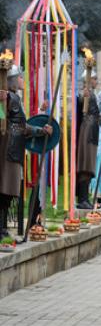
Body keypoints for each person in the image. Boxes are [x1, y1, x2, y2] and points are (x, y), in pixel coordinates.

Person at [0, 65, 53, 238]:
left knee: (7, 190)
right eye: (20, 77)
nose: (23, 80)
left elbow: (23, 126)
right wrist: (4, 96)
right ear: (12, 80)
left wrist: (40, 130)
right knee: (4, 189)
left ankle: (2, 227)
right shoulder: (9, 97)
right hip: (8, 149)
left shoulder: (14, 97)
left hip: (14, 147)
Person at [76, 69, 101, 210]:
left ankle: (85, 198)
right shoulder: (85, 93)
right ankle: (82, 199)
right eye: (95, 79)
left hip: (93, 130)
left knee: (90, 165)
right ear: (89, 79)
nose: (96, 81)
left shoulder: (92, 94)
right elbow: (80, 101)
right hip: (87, 131)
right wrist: (82, 97)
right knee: (86, 164)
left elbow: (96, 114)